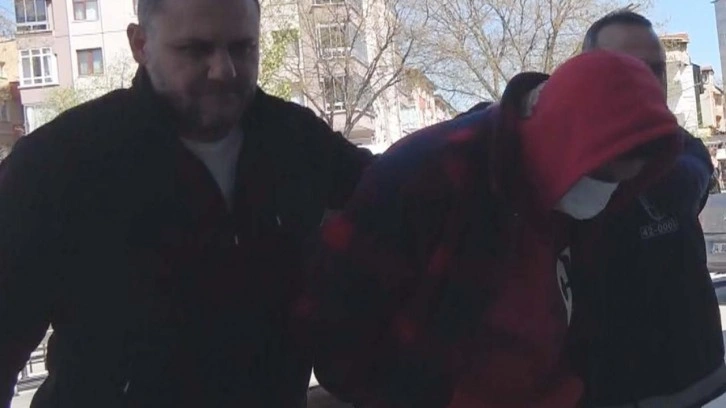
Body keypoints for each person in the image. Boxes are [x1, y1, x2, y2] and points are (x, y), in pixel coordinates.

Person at [0, 0, 373, 406]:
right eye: (196, 50)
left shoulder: (298, 140)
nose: (224, 70)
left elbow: (397, 200)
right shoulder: (60, 163)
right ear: (140, 44)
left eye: (243, 47)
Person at [299, 50, 681, 407]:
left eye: (618, 182)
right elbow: (336, 334)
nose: (601, 195)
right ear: (560, 142)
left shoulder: (585, 194)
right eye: (597, 176)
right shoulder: (427, 177)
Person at [574, 11, 726, 407]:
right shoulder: (563, 168)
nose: (644, 82)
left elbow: (691, 177)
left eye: (655, 69)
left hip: (709, 380)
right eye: (624, 68)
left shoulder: (685, 152)